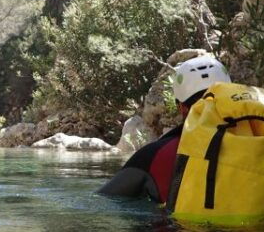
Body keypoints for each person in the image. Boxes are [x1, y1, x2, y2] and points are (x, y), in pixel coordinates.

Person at [97, 56, 231, 203]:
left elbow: (103, 199)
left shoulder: (152, 155)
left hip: (177, 225)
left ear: (181, 107)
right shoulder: (258, 139)